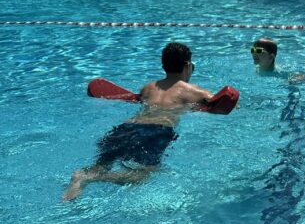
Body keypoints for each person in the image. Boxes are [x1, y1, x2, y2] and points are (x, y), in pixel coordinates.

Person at [63, 42, 214, 201]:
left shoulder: (149, 87)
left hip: (126, 128)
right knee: (142, 176)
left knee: (100, 166)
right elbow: (223, 102)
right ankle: (89, 177)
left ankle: (76, 186)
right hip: (155, 131)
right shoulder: (194, 91)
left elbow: (140, 99)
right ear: (188, 66)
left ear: (163, 65)